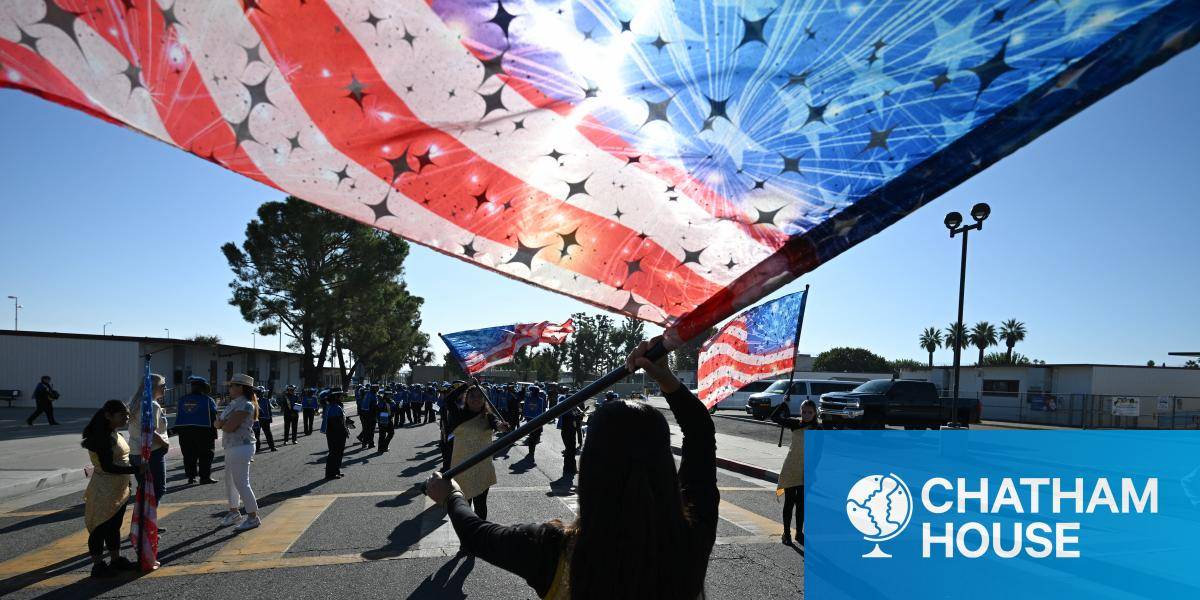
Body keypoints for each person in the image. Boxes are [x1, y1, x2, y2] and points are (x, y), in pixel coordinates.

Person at [425, 337, 718, 599]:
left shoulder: (552, 551)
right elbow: (701, 433)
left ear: (588, 468)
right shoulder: (690, 539)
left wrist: (451, 495)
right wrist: (666, 378)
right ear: (664, 465)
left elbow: (476, 534)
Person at [82, 400, 141, 578]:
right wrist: (136, 470)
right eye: (122, 415)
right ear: (108, 415)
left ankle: (116, 559)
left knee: (114, 526)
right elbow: (108, 467)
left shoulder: (115, 433)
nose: (127, 417)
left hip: (119, 488)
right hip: (104, 489)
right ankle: (98, 564)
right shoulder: (101, 437)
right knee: (100, 527)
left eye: (127, 414)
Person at [443, 382, 510, 520]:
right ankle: (466, 537)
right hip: (461, 467)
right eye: (472, 396)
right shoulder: (458, 414)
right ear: (466, 398)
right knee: (463, 507)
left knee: (480, 506)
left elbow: (497, 424)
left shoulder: (489, 416)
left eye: (480, 396)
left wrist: (502, 427)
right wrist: (466, 385)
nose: (476, 399)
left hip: (482, 467)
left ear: (485, 399)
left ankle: (481, 536)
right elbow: (448, 400)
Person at [217, 374, 261, 532]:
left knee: (242, 483)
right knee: (230, 482)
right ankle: (234, 512)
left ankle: (253, 517)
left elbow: (228, 427)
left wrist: (222, 423)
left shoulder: (246, 404)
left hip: (241, 446)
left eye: (232, 385)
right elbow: (219, 423)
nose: (229, 388)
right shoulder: (233, 404)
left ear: (241, 387)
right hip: (231, 446)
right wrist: (222, 423)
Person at [771, 399, 816, 546]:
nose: (806, 414)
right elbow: (775, 417)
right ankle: (786, 533)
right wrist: (784, 404)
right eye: (804, 411)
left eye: (810, 412)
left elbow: (819, 454)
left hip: (807, 470)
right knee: (789, 502)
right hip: (791, 468)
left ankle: (799, 532)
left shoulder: (818, 429)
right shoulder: (795, 424)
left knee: (801, 505)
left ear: (815, 413)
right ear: (800, 411)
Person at [128, 373, 169, 508]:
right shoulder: (152, 405)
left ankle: (143, 524)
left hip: (135, 452)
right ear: (152, 387)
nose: (165, 388)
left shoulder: (136, 402)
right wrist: (164, 443)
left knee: (144, 490)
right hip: (151, 452)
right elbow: (150, 431)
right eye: (162, 385)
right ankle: (148, 524)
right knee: (157, 490)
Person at [175, 376, 219, 485]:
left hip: (184, 431)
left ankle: (191, 477)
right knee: (206, 455)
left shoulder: (182, 399)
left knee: (189, 454)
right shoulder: (208, 400)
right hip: (204, 431)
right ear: (203, 387)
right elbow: (213, 414)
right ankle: (204, 477)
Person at [322, 390, 348, 479]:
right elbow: (335, 422)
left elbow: (339, 419)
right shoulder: (334, 407)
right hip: (335, 433)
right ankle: (330, 474)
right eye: (340, 396)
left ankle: (336, 471)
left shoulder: (336, 406)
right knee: (334, 453)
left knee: (338, 453)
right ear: (336, 397)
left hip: (336, 432)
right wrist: (343, 431)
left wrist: (346, 421)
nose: (342, 397)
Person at [558, 400, 585, 478]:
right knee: (570, 450)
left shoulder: (568, 409)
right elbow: (575, 419)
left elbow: (577, 417)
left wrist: (580, 414)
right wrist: (579, 415)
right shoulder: (569, 411)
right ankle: (570, 469)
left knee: (569, 450)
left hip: (568, 432)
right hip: (568, 432)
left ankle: (568, 468)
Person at [523, 384, 547, 454]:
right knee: (532, 435)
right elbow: (525, 408)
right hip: (532, 419)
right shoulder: (528, 399)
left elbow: (542, 409)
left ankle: (532, 449)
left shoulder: (540, 400)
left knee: (535, 435)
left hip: (536, 419)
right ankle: (531, 450)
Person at [253, 386, 277, 452]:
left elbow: (269, 410)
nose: (259, 393)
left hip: (265, 419)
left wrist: (270, 418)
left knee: (268, 433)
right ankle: (257, 448)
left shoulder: (266, 400)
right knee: (256, 434)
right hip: (257, 420)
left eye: (259, 392)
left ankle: (272, 447)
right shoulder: (254, 400)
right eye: (258, 392)